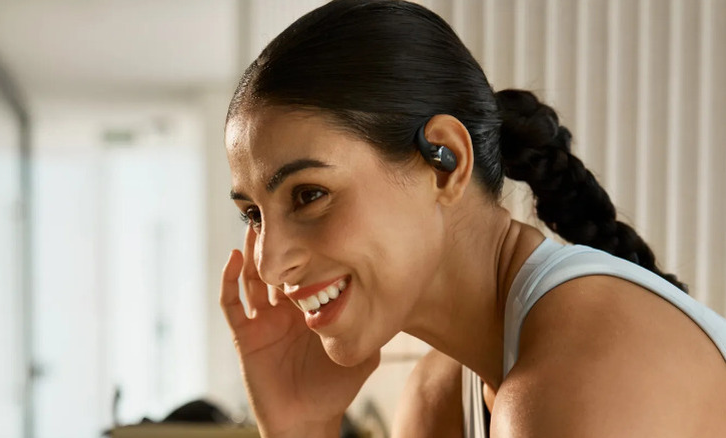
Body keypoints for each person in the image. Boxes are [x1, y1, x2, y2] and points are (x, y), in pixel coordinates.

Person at [218, 1, 726, 437]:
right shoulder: (438, 398)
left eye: (309, 195)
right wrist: (302, 426)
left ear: (446, 162)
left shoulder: (585, 378)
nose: (269, 265)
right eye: (253, 215)